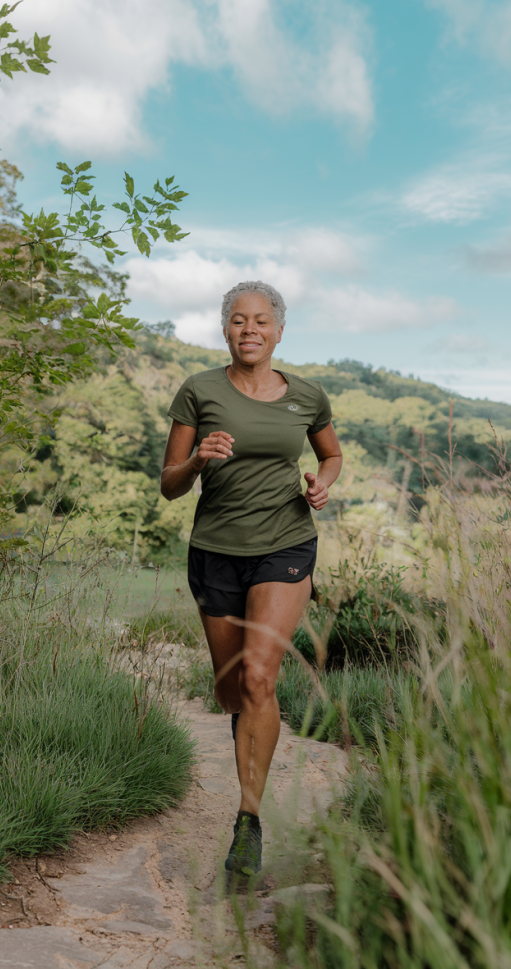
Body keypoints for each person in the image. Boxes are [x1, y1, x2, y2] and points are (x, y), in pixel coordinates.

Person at [160, 281, 343, 876]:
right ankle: (249, 733)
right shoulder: (199, 391)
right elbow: (169, 482)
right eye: (238, 320)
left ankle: (248, 820)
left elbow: (331, 455)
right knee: (232, 689)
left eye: (261, 321)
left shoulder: (307, 396)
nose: (249, 330)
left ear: (279, 331)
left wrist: (322, 482)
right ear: (225, 330)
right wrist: (197, 460)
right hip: (215, 550)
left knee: (260, 677)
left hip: (286, 545)